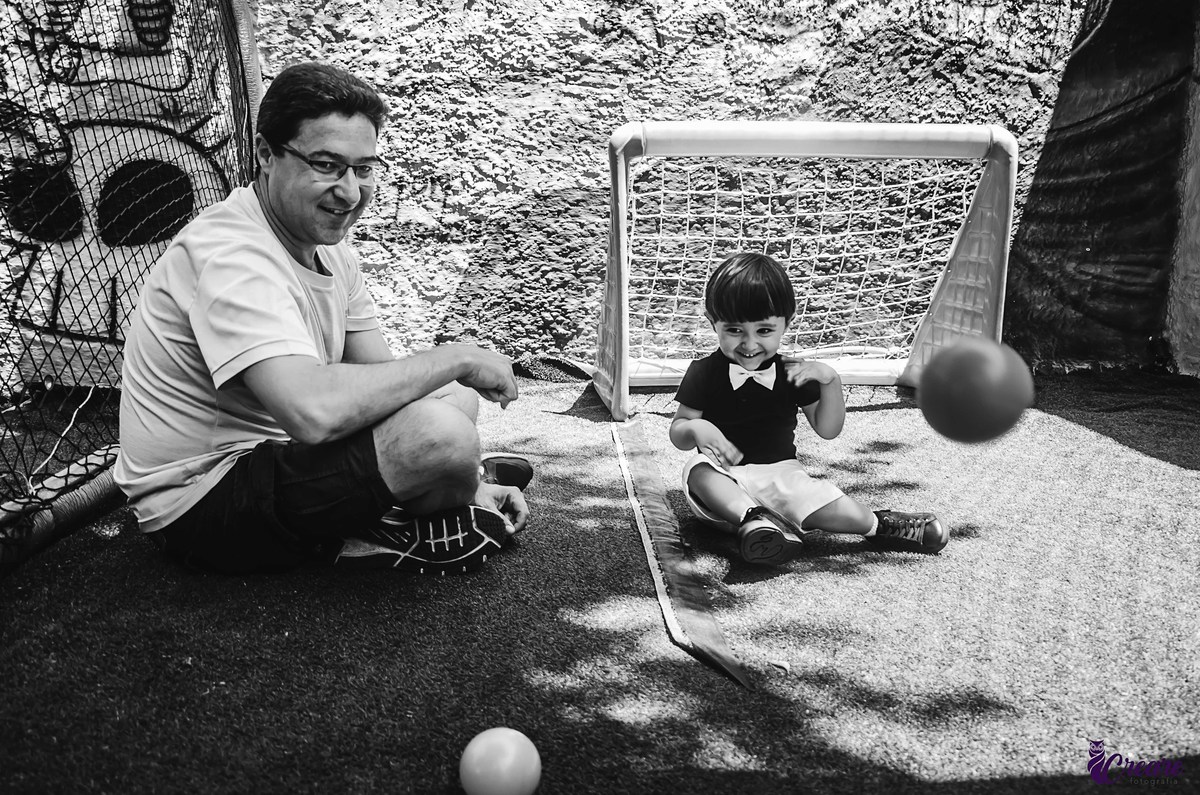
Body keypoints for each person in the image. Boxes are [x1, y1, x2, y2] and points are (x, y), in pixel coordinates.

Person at [116, 62, 532, 576]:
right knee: (440, 434)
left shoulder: (329, 251)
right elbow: (312, 412)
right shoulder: (232, 256)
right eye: (328, 165)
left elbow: (386, 381)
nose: (350, 192)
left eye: (364, 168)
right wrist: (458, 358)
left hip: (278, 459)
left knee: (452, 403)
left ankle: (427, 503)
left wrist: (466, 470)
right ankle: (387, 528)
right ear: (267, 155)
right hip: (203, 504)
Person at [668, 252, 948, 564]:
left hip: (783, 478)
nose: (749, 344)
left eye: (763, 331)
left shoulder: (794, 373)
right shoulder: (703, 371)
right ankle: (755, 521)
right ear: (712, 322)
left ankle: (879, 525)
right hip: (724, 483)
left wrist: (831, 382)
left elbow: (828, 429)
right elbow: (679, 433)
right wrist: (695, 426)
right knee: (697, 472)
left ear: (786, 324)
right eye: (734, 331)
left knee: (829, 502)